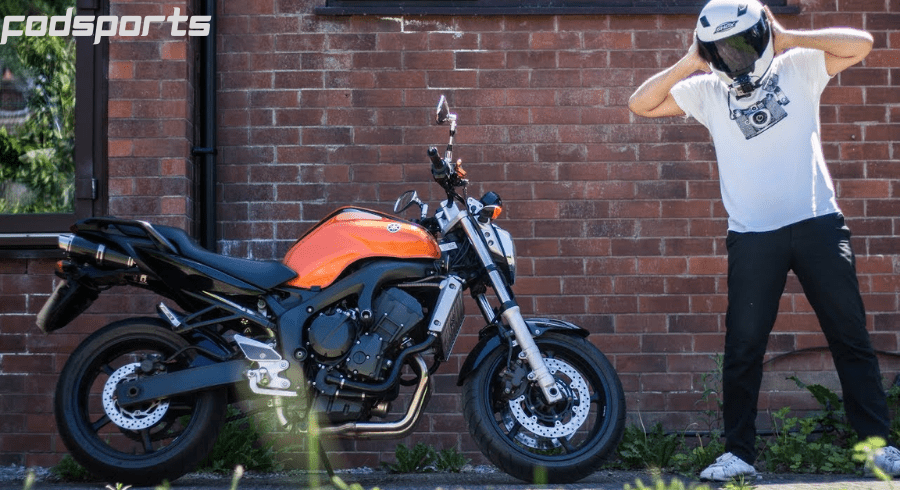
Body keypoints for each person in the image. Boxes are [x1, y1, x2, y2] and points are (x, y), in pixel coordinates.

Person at [628, 0, 899, 482]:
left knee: (851, 339)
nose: (734, 57)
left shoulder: (800, 65)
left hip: (818, 223)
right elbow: (640, 103)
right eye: (722, 49)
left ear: (761, 34)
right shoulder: (709, 91)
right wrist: (693, 59)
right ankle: (739, 455)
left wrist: (789, 37)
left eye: (741, 44)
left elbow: (862, 44)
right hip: (752, 236)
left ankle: (876, 449)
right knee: (743, 348)